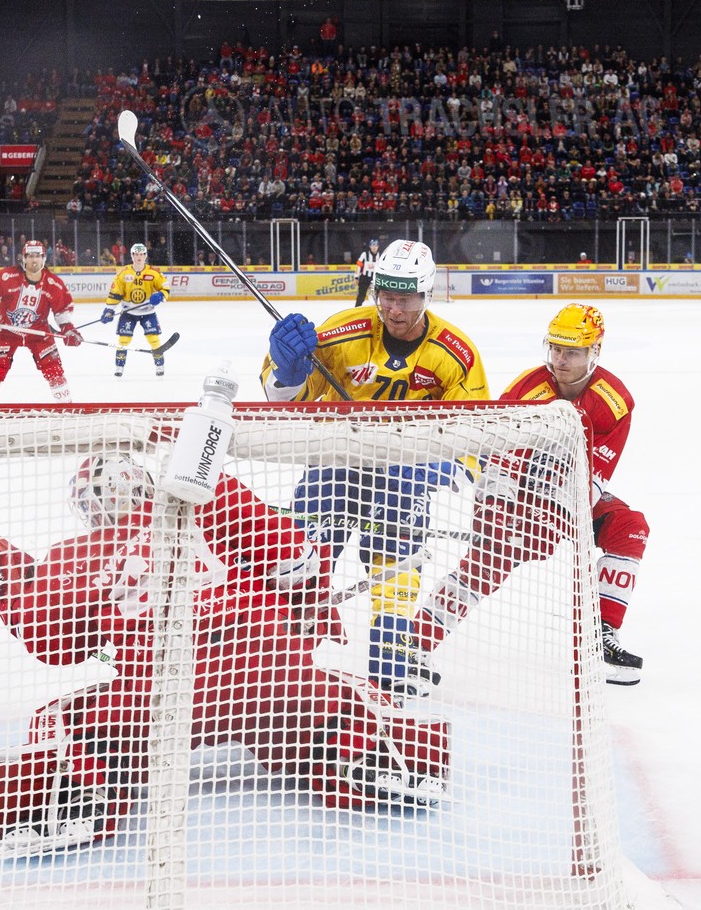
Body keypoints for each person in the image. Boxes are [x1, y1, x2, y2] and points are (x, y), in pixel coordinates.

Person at [0, 455, 448, 855]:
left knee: (62, 715)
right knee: (341, 691)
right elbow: (300, 562)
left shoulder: (73, 555)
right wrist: (301, 610)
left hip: (161, 696)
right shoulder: (212, 499)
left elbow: (48, 644)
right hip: (267, 675)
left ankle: (75, 789)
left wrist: (11, 583)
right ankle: (367, 750)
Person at [260, 239, 488, 697]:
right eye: (385, 294)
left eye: (403, 298)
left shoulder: (455, 353)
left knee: (397, 569)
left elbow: (476, 437)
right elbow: (286, 402)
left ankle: (390, 662)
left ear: (426, 296)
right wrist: (287, 373)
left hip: (406, 478)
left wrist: (433, 469)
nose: (392, 307)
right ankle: (273, 660)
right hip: (334, 467)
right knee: (299, 560)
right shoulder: (342, 332)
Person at [491, 303, 648, 685]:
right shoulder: (527, 389)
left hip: (570, 496)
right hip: (519, 495)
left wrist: (558, 514)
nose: (560, 360)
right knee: (486, 566)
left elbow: (595, 475)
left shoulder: (614, 401)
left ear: (595, 352)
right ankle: (418, 639)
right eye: (556, 349)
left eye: (572, 352)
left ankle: (600, 634)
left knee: (630, 527)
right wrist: (497, 506)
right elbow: (498, 454)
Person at [0, 239, 83, 402]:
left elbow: (62, 309)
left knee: (54, 370)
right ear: (23, 258)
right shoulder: (8, 276)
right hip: (6, 331)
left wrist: (68, 329)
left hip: (39, 332)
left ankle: (66, 408)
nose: (34, 260)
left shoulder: (53, 284)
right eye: (30, 256)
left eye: (38, 256)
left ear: (44, 258)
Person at [99, 242, 170, 378]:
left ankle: (159, 364)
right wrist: (109, 310)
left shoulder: (153, 273)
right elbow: (115, 293)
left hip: (148, 312)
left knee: (154, 339)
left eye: (142, 254)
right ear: (131, 255)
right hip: (128, 313)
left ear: (145, 255)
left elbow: (165, 288)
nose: (139, 257)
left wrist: (160, 295)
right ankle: (119, 366)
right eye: (136, 254)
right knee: (123, 341)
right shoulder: (123, 273)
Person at [352, 237, 379, 306]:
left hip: (375, 278)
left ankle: (377, 312)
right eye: (372, 245)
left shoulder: (380, 255)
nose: (374, 247)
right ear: (370, 246)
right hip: (364, 278)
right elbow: (358, 266)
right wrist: (356, 278)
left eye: (376, 245)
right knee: (361, 296)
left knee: (377, 296)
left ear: (378, 247)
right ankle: (357, 310)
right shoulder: (364, 254)